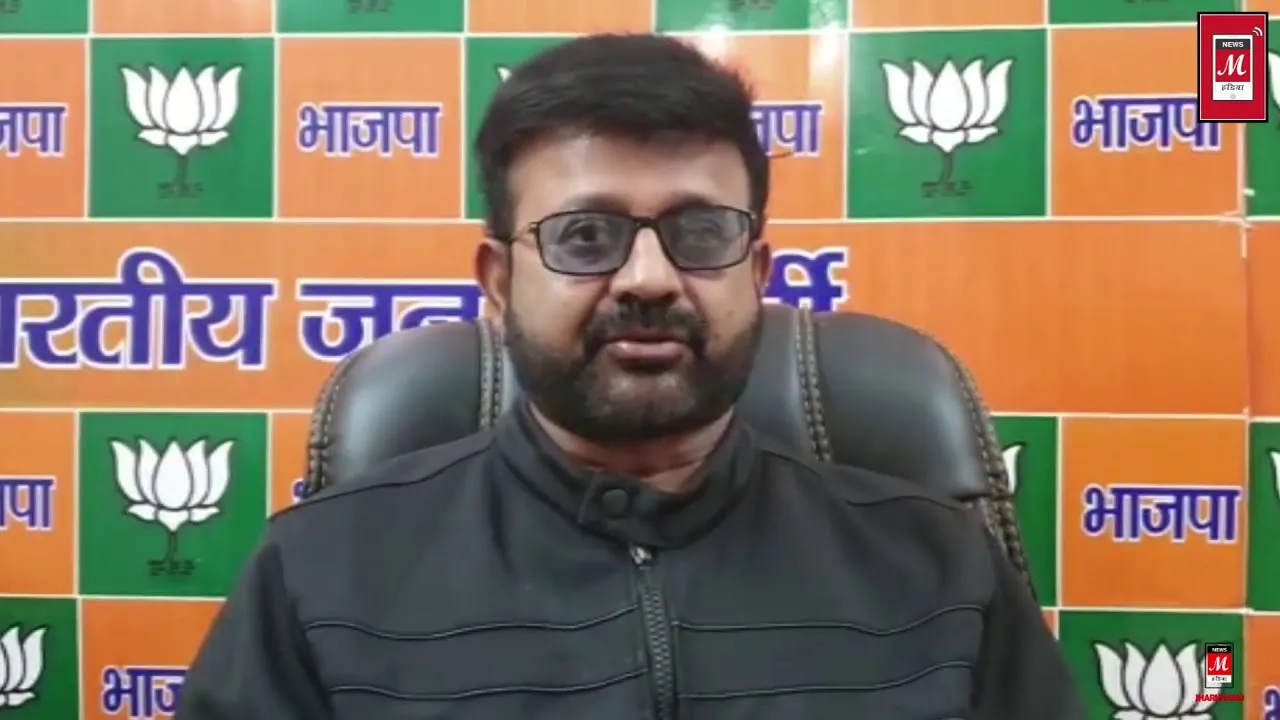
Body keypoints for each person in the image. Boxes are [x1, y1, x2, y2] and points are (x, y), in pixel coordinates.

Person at [176, 33, 1086, 719]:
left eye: (700, 233)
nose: (648, 278)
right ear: (499, 283)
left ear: (757, 274)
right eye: (586, 236)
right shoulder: (321, 574)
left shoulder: (939, 573)